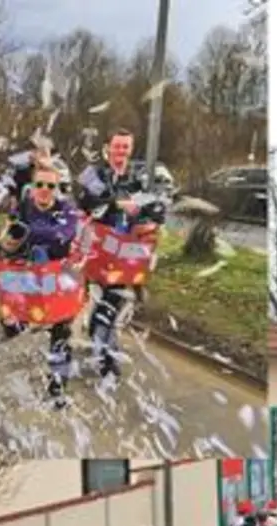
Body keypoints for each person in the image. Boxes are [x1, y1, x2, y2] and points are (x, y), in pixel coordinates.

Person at [0, 163, 86, 402]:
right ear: (31, 187)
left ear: (57, 188)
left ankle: (58, 384)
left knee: (61, 332)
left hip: (56, 280)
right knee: (15, 322)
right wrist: (4, 241)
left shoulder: (67, 210)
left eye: (50, 185)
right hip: (26, 279)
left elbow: (63, 233)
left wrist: (28, 232)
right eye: (39, 184)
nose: (44, 189)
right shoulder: (22, 208)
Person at [75, 128, 167, 381]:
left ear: (131, 149)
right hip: (98, 249)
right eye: (117, 146)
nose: (121, 151)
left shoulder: (134, 179)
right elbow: (85, 201)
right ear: (108, 147)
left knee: (110, 301)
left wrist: (153, 212)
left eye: (126, 147)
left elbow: (149, 211)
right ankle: (106, 355)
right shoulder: (93, 172)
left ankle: (104, 351)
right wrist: (116, 204)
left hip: (125, 253)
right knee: (107, 301)